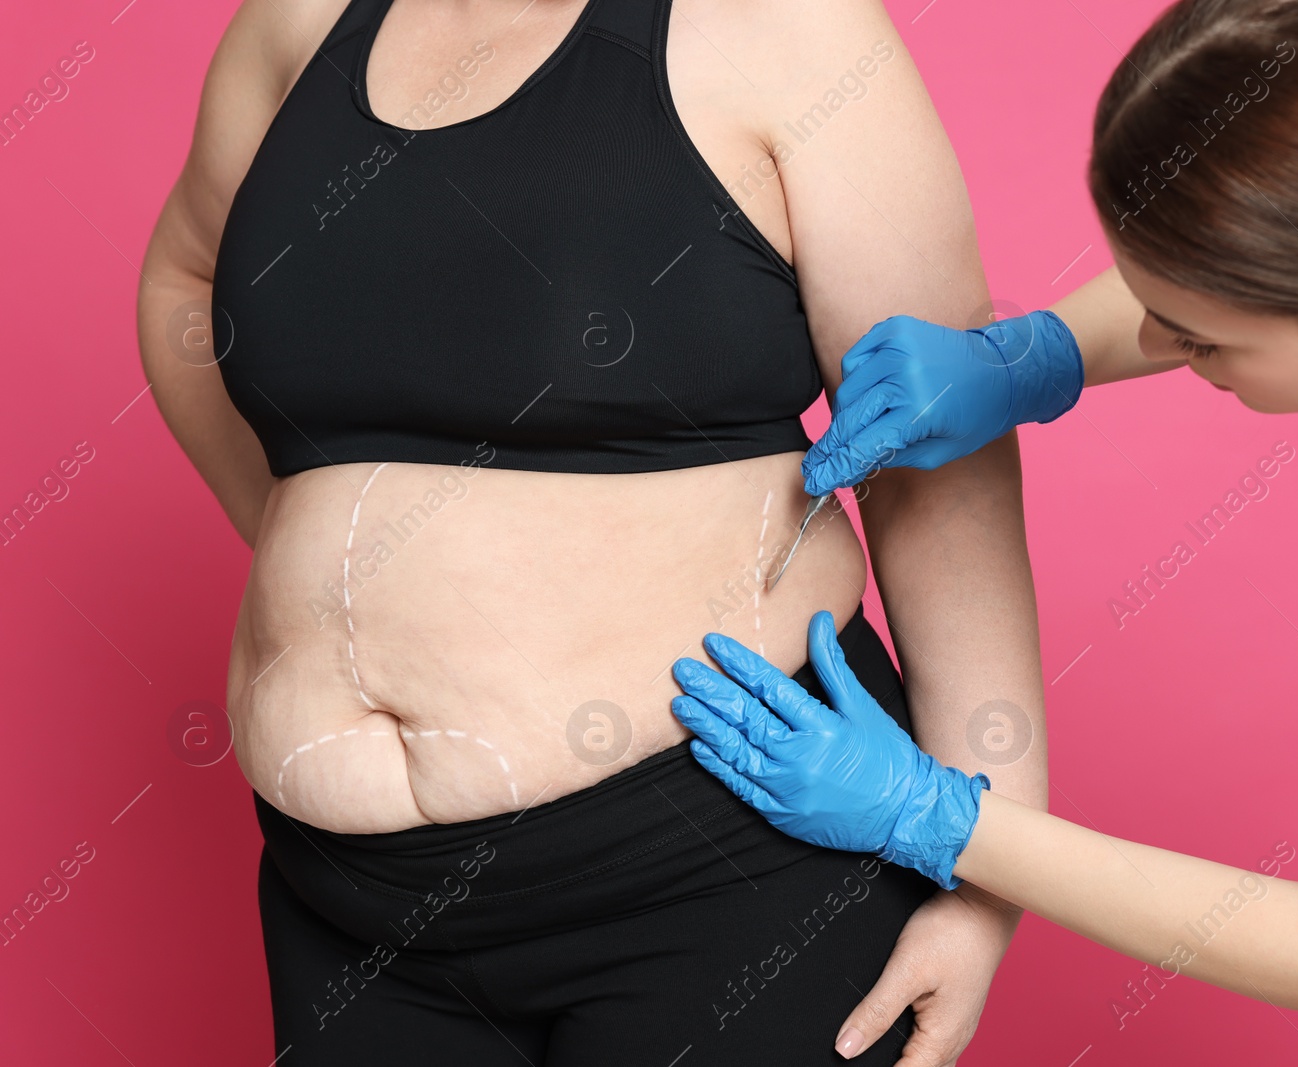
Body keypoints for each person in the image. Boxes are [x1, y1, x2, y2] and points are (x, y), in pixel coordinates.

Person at [667, 0, 1298, 1061]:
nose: (1151, 338)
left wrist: (931, 813)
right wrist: (1030, 356)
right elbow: (1237, 265)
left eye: (1197, 341)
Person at [135, 0, 1049, 1063]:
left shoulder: (789, 31)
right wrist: (336, 571)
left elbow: (939, 448)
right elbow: (184, 279)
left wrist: (993, 861)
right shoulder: (295, 25)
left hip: (724, 858)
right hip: (346, 909)